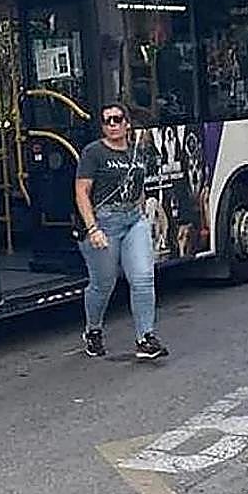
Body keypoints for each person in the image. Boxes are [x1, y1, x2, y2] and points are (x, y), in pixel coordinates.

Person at [74, 102, 169, 360]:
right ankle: (93, 330)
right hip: (104, 222)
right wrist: (93, 228)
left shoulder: (138, 152)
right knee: (103, 284)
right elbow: (82, 191)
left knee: (143, 279)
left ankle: (145, 337)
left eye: (117, 119)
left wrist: (144, 216)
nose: (113, 125)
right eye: (107, 121)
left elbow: (138, 187)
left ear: (128, 123)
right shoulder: (94, 152)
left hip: (133, 219)